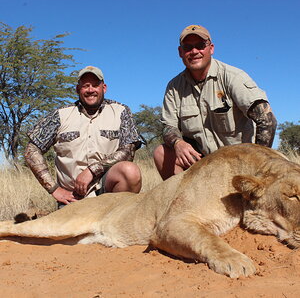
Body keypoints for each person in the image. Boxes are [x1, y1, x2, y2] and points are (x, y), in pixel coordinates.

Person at [154, 25, 277, 180]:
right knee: (161, 153)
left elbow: (267, 120)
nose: (194, 52)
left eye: (200, 46)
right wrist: (178, 143)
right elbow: (168, 127)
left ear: (211, 48)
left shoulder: (233, 77)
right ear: (180, 52)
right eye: (188, 47)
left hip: (240, 163)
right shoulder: (174, 87)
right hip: (201, 162)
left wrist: (258, 166)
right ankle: (188, 203)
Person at [25, 65, 142, 207]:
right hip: (73, 198)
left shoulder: (121, 111)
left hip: (108, 194)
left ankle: (116, 216)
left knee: (130, 171)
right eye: (85, 86)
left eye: (95, 85)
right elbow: (31, 150)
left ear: (103, 88)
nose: (90, 90)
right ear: (77, 89)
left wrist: (92, 171)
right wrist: (54, 189)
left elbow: (128, 151)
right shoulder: (60, 115)